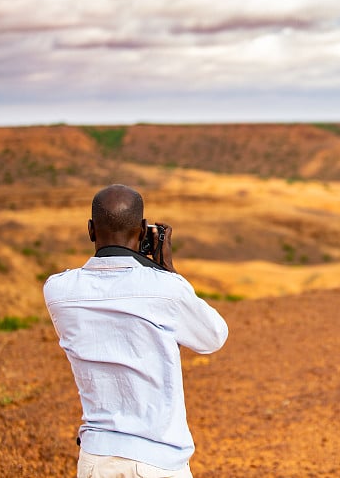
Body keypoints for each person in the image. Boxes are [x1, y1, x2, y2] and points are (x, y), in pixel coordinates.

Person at [44, 184, 228, 478]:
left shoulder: (58, 290)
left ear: (91, 230)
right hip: (159, 460)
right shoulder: (166, 289)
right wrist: (168, 269)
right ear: (143, 231)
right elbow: (213, 337)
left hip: (96, 458)